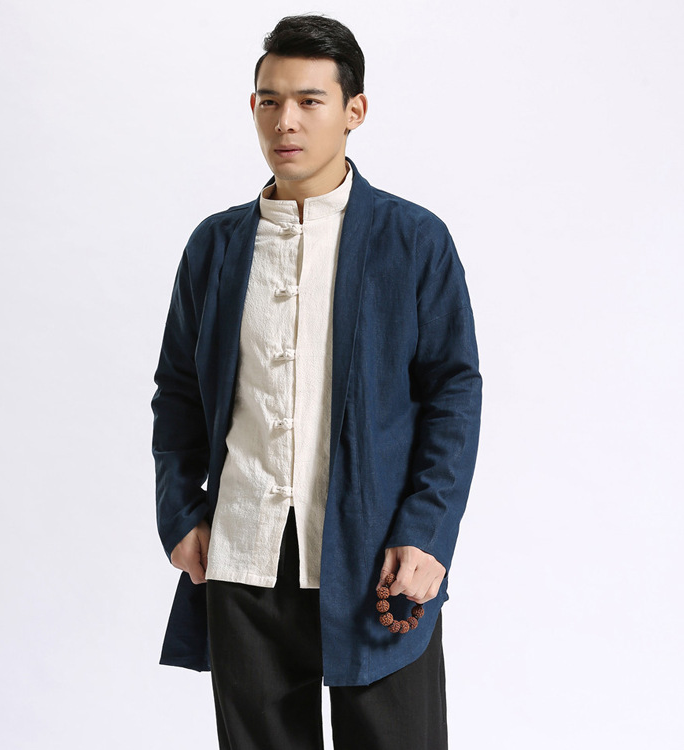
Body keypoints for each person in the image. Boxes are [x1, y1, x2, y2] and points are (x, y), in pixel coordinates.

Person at [151, 13, 482, 750]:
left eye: (309, 100)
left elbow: (453, 395)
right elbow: (177, 391)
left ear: (354, 110)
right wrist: (180, 511)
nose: (286, 122)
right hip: (245, 554)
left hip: (377, 557)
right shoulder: (216, 245)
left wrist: (427, 533)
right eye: (270, 101)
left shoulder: (412, 240)